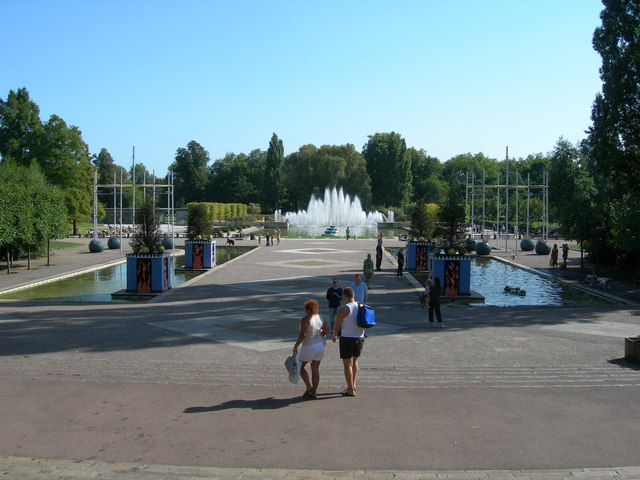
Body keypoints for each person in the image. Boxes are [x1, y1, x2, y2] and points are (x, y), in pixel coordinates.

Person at [292, 299, 328, 399]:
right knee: (315, 369)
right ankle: (314, 392)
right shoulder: (320, 317)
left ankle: (308, 387)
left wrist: (296, 346)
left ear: (306, 309)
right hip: (319, 346)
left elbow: (302, 335)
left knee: (299, 366)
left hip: (308, 346)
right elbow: (325, 331)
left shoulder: (305, 319)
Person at [332, 287, 365, 396]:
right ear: (353, 295)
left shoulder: (343, 309)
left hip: (347, 338)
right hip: (360, 337)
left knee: (347, 364)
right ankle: (353, 385)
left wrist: (334, 336)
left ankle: (350, 390)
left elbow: (336, 326)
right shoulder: (360, 305)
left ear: (344, 296)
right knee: (355, 361)